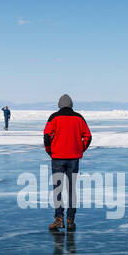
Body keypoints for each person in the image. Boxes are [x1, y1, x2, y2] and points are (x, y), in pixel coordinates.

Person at [42, 94, 92, 231]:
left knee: (58, 189)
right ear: (71, 105)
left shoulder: (54, 117)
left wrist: (50, 151)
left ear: (59, 105)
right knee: (72, 190)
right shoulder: (79, 118)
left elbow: (46, 137)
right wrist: (80, 149)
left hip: (57, 158)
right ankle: (70, 220)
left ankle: (59, 219)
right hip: (74, 159)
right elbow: (88, 136)